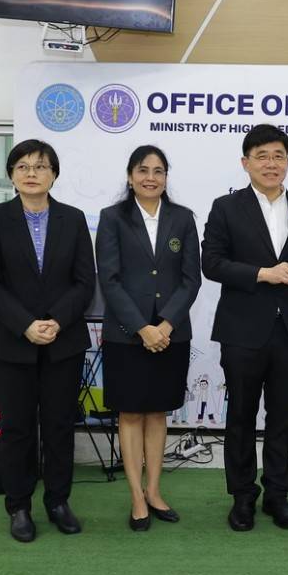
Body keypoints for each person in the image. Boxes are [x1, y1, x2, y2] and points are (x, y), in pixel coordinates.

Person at [0, 139, 96, 543]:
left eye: (41, 166)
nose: (32, 173)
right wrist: (26, 324)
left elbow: (84, 281)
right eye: (23, 166)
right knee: (17, 428)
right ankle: (19, 506)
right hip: (13, 342)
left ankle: (58, 502)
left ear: (54, 174)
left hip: (64, 341)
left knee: (60, 426)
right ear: (12, 175)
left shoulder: (73, 219)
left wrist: (56, 320)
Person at [202, 124, 288, 532]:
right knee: (241, 416)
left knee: (283, 418)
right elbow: (211, 263)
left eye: (278, 156)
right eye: (262, 156)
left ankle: (277, 495)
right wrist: (263, 273)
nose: (271, 164)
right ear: (245, 162)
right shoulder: (225, 207)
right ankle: (242, 497)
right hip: (242, 331)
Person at [96, 145, 201, 532]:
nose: (151, 177)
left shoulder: (183, 218)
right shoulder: (112, 218)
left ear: (166, 177)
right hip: (127, 336)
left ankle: (154, 491)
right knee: (130, 413)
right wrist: (143, 328)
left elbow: (191, 279)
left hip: (171, 335)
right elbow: (109, 280)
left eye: (158, 171)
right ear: (130, 176)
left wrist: (166, 325)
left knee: (158, 412)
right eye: (143, 170)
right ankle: (136, 497)